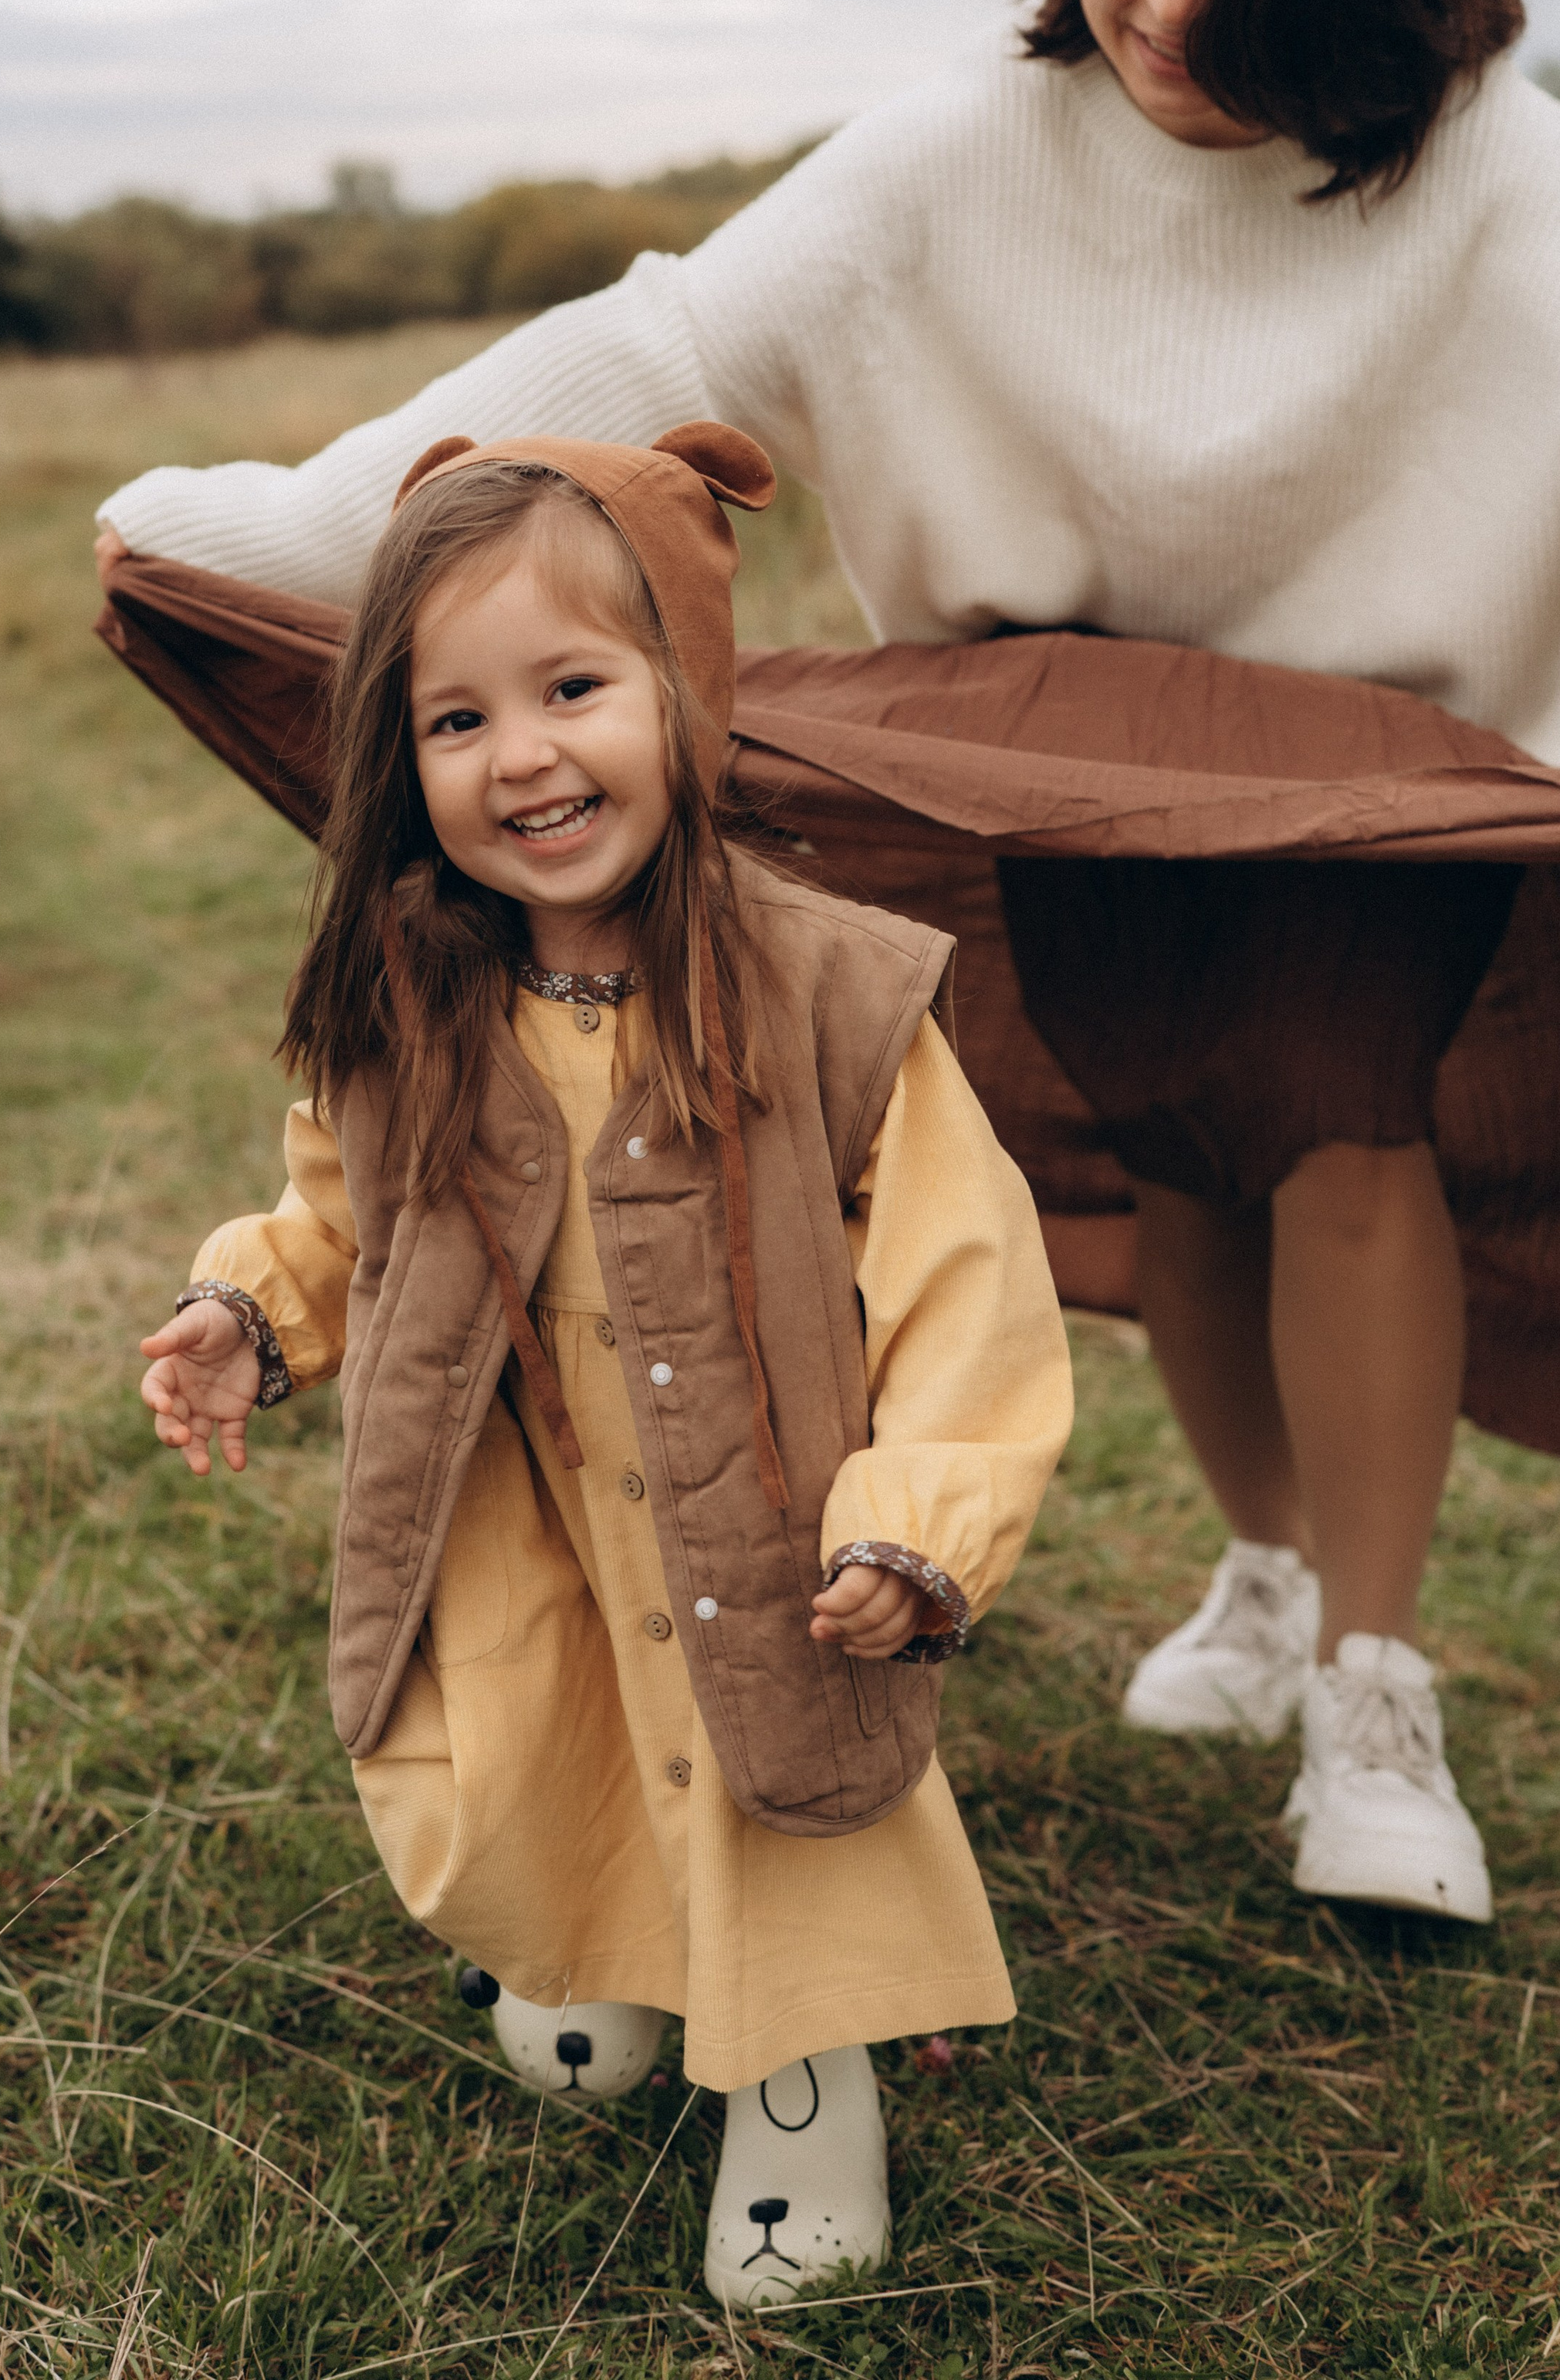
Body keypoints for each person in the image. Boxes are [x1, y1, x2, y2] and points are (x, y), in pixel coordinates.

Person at [100, 0, 1560, 1925]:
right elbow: (655, 343)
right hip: (1078, 778)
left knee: (1354, 1154)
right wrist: (311, 520)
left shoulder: (1504, 190)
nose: (1168, 0)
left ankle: (1381, 1693)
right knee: (1187, 1162)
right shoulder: (972, 153)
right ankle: (1266, 1576)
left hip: (1380, 806)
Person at [134, 425, 1072, 2307]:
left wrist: (914, 1524)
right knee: (543, 1727)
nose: (525, 758)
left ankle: (804, 2084)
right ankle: (602, 1956)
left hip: (753, 1492)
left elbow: (964, 1284)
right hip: (517, 1472)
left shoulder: (824, 991)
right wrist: (253, 1314)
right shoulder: (406, 997)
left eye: (572, 687)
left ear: (683, 692)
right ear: (401, 766)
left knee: (764, 1757)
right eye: (457, 721)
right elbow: (341, 1216)